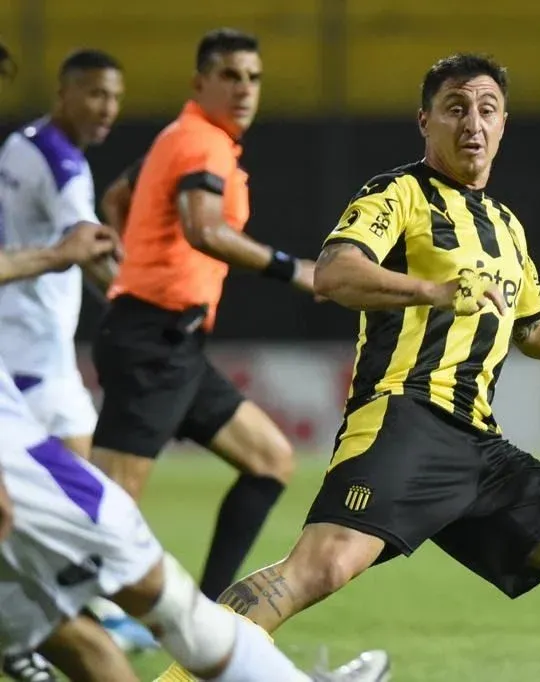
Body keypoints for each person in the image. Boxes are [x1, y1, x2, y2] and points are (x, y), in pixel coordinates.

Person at [157, 53, 540, 682]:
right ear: (425, 121)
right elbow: (334, 274)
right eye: (456, 108)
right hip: (404, 415)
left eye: (487, 110)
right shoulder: (399, 194)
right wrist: (433, 290)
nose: (473, 123)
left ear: (504, 125)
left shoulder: (506, 227)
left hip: (480, 445)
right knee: (322, 567)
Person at [0, 234, 390, 682]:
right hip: (43, 434)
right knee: (162, 598)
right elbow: (204, 227)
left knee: (77, 638)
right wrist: (62, 256)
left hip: (162, 340)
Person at [89, 28, 318, 603]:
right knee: (106, 514)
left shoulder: (181, 137)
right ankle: (56, 624)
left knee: (269, 460)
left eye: (253, 78)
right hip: (152, 339)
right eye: (230, 76)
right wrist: (293, 270)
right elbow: (205, 230)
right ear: (200, 83)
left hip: (173, 342)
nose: (244, 89)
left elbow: (116, 198)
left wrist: (134, 267)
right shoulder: (202, 143)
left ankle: (210, 614)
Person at [0, 48, 161, 672]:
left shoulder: (20, 144)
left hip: (34, 352)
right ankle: (49, 629)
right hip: (33, 360)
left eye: (115, 97)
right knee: (78, 511)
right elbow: (88, 248)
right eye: (95, 94)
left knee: (65, 505)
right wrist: (144, 309)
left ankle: (54, 626)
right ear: (63, 93)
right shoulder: (63, 163)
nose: (107, 108)